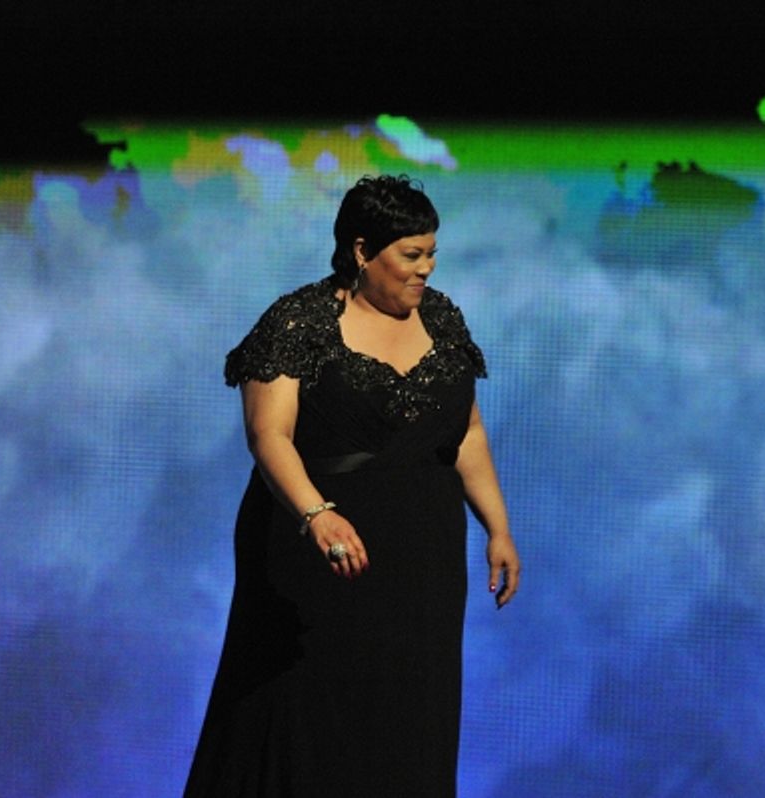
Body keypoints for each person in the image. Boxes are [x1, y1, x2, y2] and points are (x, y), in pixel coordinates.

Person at [184, 175, 520, 797]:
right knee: (315, 710)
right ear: (363, 252)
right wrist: (317, 516)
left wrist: (497, 526)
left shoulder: (441, 318)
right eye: (411, 255)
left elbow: (465, 429)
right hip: (325, 550)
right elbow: (269, 436)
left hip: (423, 556)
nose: (426, 269)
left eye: (431, 253)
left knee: (409, 717)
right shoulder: (299, 322)